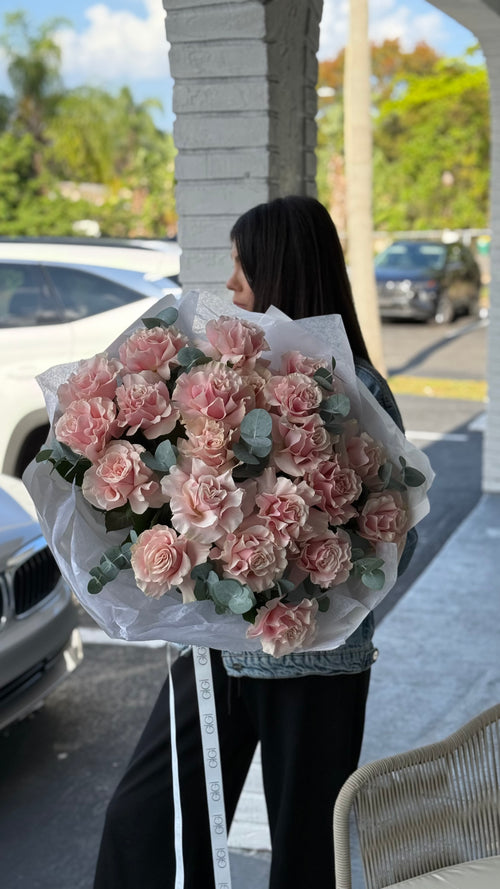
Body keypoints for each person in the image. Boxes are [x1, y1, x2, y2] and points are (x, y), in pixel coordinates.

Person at [93, 195, 416, 889]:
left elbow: (395, 544)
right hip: (216, 652)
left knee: (305, 857)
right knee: (144, 821)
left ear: (281, 277)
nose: (231, 291)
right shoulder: (225, 380)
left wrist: (304, 566)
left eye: (241, 276)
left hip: (317, 666)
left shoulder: (358, 391)